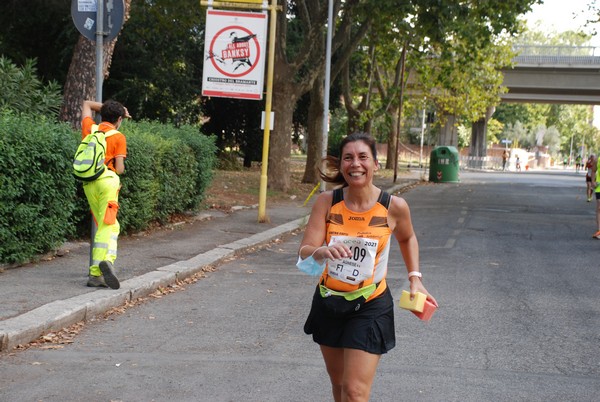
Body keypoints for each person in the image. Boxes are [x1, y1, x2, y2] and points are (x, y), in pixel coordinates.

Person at [297, 132, 437, 401]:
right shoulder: (327, 202)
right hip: (329, 302)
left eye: (363, 157)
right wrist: (321, 251)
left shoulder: (393, 207)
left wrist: (415, 278)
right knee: (339, 385)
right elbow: (305, 251)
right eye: (348, 158)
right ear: (341, 165)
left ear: (376, 164)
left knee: (355, 391)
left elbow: (407, 237)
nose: (355, 164)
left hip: (371, 303)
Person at [81, 100, 130, 289]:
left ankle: (107, 261)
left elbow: (86, 104)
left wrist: (115, 109)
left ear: (102, 115)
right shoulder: (119, 136)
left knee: (112, 225)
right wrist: (121, 112)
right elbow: (119, 168)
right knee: (106, 225)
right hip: (107, 182)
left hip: (89, 183)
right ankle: (96, 272)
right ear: (119, 119)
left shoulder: (91, 129)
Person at [590, 154, 600, 239]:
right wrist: (593, 181)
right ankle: (599, 231)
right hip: (599, 187)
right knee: (599, 207)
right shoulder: (598, 160)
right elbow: (593, 171)